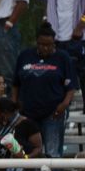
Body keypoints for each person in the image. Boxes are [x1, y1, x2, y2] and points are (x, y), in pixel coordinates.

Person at [12, 24, 78, 157]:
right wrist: (15, 106)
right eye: (42, 44)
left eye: (49, 45)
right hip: (28, 113)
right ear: (37, 42)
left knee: (52, 152)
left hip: (53, 113)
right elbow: (15, 84)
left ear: (54, 43)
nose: (45, 48)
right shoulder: (24, 56)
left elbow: (71, 87)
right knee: (30, 150)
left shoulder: (62, 57)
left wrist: (63, 105)